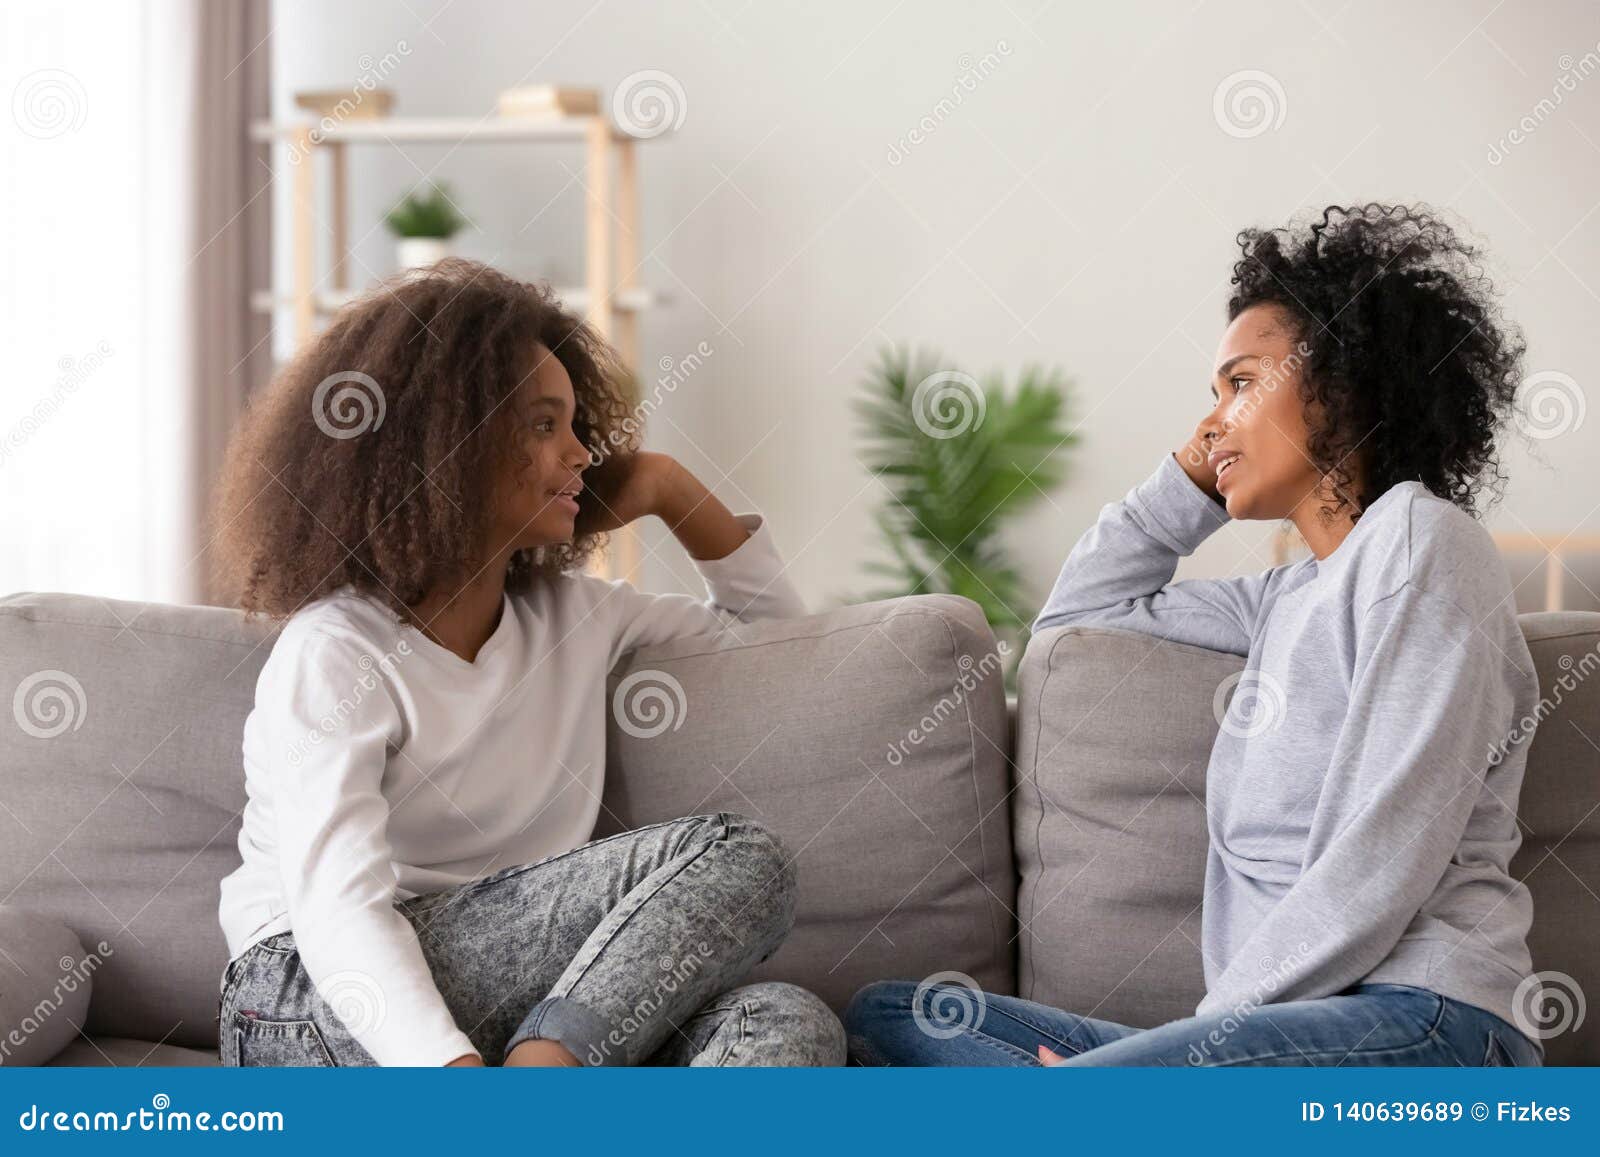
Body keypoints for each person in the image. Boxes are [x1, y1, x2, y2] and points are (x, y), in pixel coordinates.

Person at [847, 203, 1545, 1067]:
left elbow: (1384, 853)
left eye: (1242, 382)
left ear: (1343, 385)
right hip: (1256, 1036)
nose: (1212, 422)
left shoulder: (1423, 542)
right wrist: (1190, 480)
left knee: (1079, 1095)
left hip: (1428, 1020)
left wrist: (1188, 1049)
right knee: (901, 1015)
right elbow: (1076, 622)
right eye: (1211, 395)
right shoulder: (1283, 598)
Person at [210, 259, 843, 1067]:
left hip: (511, 1000)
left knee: (781, 1018)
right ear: (442, 442)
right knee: (743, 858)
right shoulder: (335, 650)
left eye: (577, 425)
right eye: (544, 426)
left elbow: (782, 648)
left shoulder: (580, 614)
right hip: (306, 1001)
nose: (583, 453)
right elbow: (339, 909)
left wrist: (665, 486)